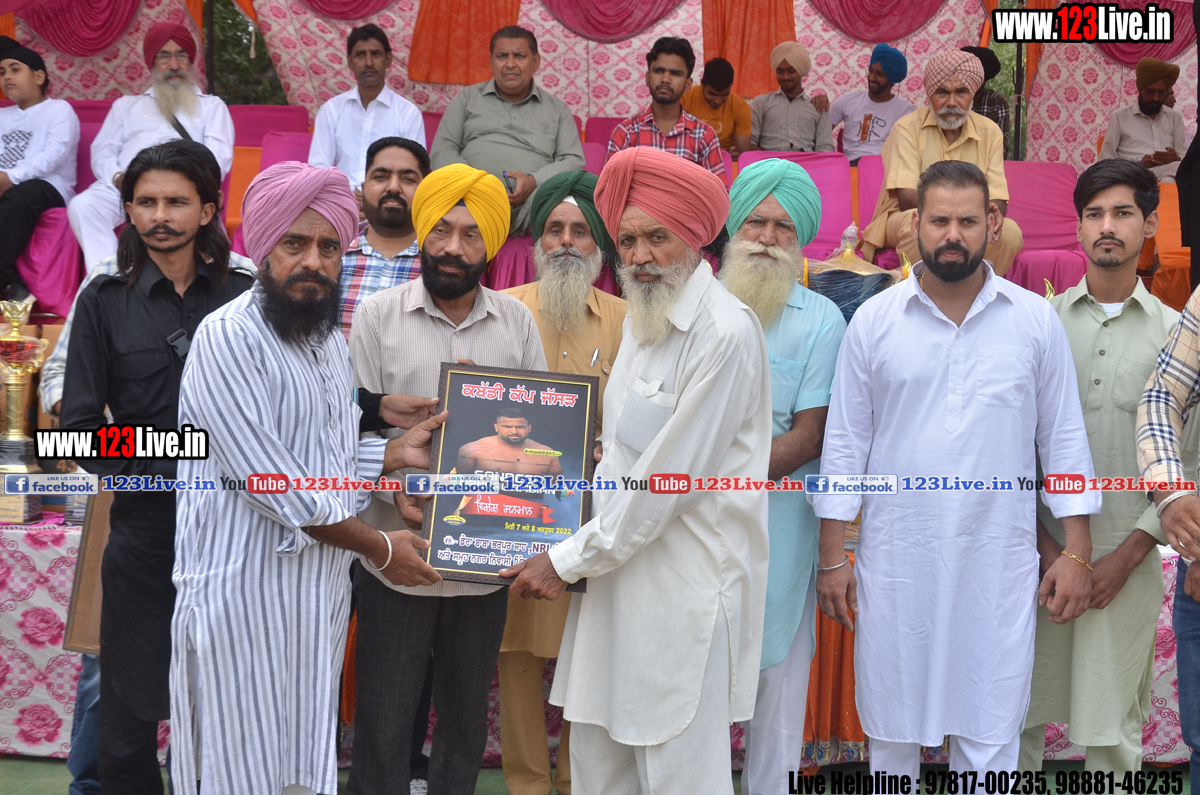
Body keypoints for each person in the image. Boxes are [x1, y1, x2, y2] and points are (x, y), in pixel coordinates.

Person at [167, 161, 444, 795]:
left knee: (300, 769)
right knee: (238, 773)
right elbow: (274, 485)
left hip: (315, 600)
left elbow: (327, 459)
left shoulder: (326, 344)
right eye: (295, 243)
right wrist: (380, 547)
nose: (313, 262)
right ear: (265, 248)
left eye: (328, 247)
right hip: (241, 599)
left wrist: (393, 458)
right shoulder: (228, 338)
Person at [814, 160, 1098, 778]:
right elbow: (845, 444)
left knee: (990, 727)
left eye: (967, 222)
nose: (952, 235)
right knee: (892, 732)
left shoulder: (1034, 320)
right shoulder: (875, 321)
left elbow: (1063, 440)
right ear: (914, 223)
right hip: (898, 558)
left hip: (997, 559)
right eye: (939, 220)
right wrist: (833, 555)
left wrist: (1077, 550)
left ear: (992, 223)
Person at [502, 146, 771, 795]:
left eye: (658, 237)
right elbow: (619, 455)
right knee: (600, 774)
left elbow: (662, 488)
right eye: (627, 240)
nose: (641, 255)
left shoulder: (724, 333)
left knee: (679, 779)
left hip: (682, 600)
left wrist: (562, 560)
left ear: (696, 238)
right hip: (613, 589)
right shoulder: (645, 319)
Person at [58, 141, 253, 792]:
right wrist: (184, 452)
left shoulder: (249, 296)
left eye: (176, 202)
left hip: (237, 533)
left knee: (226, 707)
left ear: (208, 210)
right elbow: (80, 434)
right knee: (127, 717)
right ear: (129, 210)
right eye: (146, 202)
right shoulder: (103, 299)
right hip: (143, 532)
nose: (160, 215)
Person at [347, 163, 545, 795]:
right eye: (440, 231)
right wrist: (393, 485)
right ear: (422, 232)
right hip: (393, 556)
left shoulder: (516, 323)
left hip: (483, 562)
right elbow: (346, 432)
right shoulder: (377, 316)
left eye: (470, 234)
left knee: (463, 726)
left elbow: (541, 430)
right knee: (383, 723)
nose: (453, 248)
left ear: (492, 245)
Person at [1018, 159, 1185, 773]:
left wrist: (1126, 557)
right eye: (1094, 214)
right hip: (1031, 557)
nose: (1107, 226)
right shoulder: (1037, 324)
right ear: (1079, 228)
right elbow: (1010, 451)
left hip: (1125, 565)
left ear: (1150, 225)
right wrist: (1047, 551)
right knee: (1015, 715)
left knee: (1114, 732)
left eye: (1122, 213)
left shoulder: (1177, 335)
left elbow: (1189, 462)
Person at [497, 169, 626, 795]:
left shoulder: (629, 319)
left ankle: (578, 783)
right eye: (555, 229)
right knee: (517, 655)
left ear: (599, 246)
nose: (567, 242)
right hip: (513, 509)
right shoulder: (502, 311)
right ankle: (526, 784)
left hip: (597, 516)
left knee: (590, 654)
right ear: (536, 241)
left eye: (580, 230)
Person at [721, 158, 846, 795]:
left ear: (801, 240)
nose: (767, 238)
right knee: (697, 678)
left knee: (777, 687)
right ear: (733, 228)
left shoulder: (822, 319)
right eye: (756, 223)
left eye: (783, 227)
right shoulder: (697, 305)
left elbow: (811, 434)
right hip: (691, 521)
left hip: (782, 529)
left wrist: (724, 479)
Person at [67, 23, 233, 272]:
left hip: (182, 186)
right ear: (152, 62)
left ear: (190, 61)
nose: (174, 64)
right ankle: (110, 278)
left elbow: (219, 157)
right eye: (164, 56)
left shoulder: (212, 106)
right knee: (84, 205)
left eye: (181, 55)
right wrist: (119, 178)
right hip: (126, 184)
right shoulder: (126, 105)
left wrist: (185, 180)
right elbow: (102, 152)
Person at [861, 49, 1023, 276]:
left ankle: (978, 288)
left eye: (962, 92)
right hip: (905, 215)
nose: (952, 102)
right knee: (916, 224)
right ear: (930, 94)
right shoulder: (907, 127)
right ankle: (925, 289)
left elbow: (997, 199)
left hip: (967, 215)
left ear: (974, 94)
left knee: (1010, 231)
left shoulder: (990, 131)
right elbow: (907, 197)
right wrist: (963, 210)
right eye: (942, 92)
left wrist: (985, 214)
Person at [431, 25, 584, 236]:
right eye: (502, 56)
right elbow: (442, 150)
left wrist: (533, 181)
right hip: (470, 198)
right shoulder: (466, 99)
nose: (510, 64)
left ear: (535, 62)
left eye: (519, 56)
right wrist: (475, 184)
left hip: (536, 201)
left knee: (574, 214)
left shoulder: (557, 109)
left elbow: (573, 160)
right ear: (491, 61)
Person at [0, 36, 79, 302]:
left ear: (38, 76)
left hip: (50, 186)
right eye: (2, 72)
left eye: (15, 69)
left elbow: (53, 155)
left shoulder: (59, 110)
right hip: (7, 183)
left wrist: (11, 177)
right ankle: (12, 285)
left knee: (20, 197)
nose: (6, 76)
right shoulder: (2, 115)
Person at [309, 24, 425, 189]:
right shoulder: (331, 110)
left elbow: (413, 174)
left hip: (390, 198)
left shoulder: (408, 113)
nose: (369, 62)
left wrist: (373, 197)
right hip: (341, 198)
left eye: (376, 54)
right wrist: (345, 195)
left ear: (388, 60)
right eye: (360, 55)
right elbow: (317, 171)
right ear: (350, 62)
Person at [340, 136, 429, 337]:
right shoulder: (333, 255)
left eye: (408, 179)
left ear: (426, 192)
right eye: (381, 177)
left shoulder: (442, 263)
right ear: (363, 188)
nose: (393, 187)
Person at [607, 37, 726, 180]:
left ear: (688, 84)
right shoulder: (626, 133)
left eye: (675, 74)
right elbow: (608, 189)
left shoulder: (704, 136)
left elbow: (718, 191)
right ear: (647, 77)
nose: (665, 79)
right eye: (658, 71)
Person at [1100, 57, 1189, 183]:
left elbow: (1184, 158)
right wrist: (1139, 166)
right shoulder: (1119, 117)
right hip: (1131, 177)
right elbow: (1105, 161)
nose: (1156, 98)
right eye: (1150, 92)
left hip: (1166, 173)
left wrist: (1174, 158)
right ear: (1140, 89)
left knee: (1171, 180)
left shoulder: (1174, 117)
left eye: (1161, 92)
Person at [828, 44, 914, 166]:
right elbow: (821, 133)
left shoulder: (905, 110)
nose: (872, 78)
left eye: (879, 74)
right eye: (871, 71)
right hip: (851, 166)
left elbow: (907, 148)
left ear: (891, 78)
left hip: (884, 167)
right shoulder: (846, 101)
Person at [749, 41, 834, 154]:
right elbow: (749, 142)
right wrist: (766, 159)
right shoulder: (761, 103)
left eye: (791, 71)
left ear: (801, 71)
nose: (785, 76)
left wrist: (813, 162)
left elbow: (826, 147)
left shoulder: (818, 106)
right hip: (771, 162)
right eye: (780, 72)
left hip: (806, 163)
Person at [680, 57, 752, 158]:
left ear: (731, 87)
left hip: (725, 160)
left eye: (724, 95)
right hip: (689, 158)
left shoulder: (741, 106)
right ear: (702, 83)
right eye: (712, 94)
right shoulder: (684, 98)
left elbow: (743, 154)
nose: (717, 101)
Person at [960, 46, 1010, 157]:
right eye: (967, 76)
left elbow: (1001, 150)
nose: (971, 81)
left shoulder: (998, 103)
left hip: (984, 165)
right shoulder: (946, 99)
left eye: (976, 77)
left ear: (984, 79)